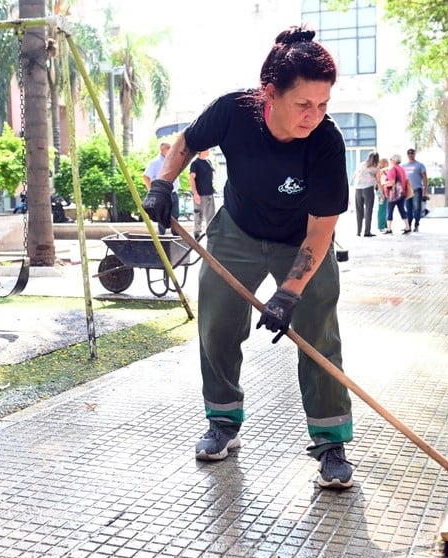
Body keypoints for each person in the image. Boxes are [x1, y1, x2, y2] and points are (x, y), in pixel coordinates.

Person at [142, 25, 354, 489]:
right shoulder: (234, 111)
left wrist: (289, 293)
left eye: (323, 105)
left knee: (318, 331)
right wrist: (162, 184)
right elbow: (185, 144)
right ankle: (222, 422)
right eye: (303, 104)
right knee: (216, 323)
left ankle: (331, 442)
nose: (314, 116)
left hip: (301, 241)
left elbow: (322, 229)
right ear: (271, 95)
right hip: (236, 230)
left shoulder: (326, 142)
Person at [143, 142, 180, 234]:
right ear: (162, 150)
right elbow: (146, 176)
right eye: (168, 148)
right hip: (162, 194)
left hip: (174, 192)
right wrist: (151, 191)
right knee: (162, 215)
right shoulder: (155, 162)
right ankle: (162, 237)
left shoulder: (172, 160)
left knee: (175, 215)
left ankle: (175, 236)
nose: (171, 149)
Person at [189, 150, 217, 237]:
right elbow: (191, 178)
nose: (208, 151)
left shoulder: (208, 162)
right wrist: (195, 193)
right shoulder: (195, 163)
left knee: (211, 214)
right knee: (199, 214)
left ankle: (210, 232)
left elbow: (212, 174)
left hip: (209, 192)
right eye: (206, 149)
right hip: (200, 193)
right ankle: (197, 232)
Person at [382, 154, 411, 234]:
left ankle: (389, 229)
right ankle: (407, 227)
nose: (390, 160)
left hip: (393, 194)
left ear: (394, 160)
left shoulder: (393, 169)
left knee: (390, 210)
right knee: (402, 210)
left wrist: (384, 183)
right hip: (402, 193)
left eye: (391, 159)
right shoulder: (401, 168)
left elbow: (392, 182)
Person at [352, 152, 379, 237]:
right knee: (368, 210)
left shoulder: (361, 164)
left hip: (358, 189)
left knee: (359, 210)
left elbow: (354, 176)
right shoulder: (375, 168)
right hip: (368, 189)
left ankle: (358, 231)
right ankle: (367, 232)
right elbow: (378, 180)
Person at [402, 148, 429, 231]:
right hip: (407, 190)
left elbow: (425, 178)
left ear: (414, 154)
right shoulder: (404, 166)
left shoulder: (420, 165)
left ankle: (416, 224)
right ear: (407, 155)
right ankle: (409, 225)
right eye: (409, 153)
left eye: (412, 153)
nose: (410, 155)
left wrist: (425, 191)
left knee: (417, 208)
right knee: (408, 208)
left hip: (417, 189)